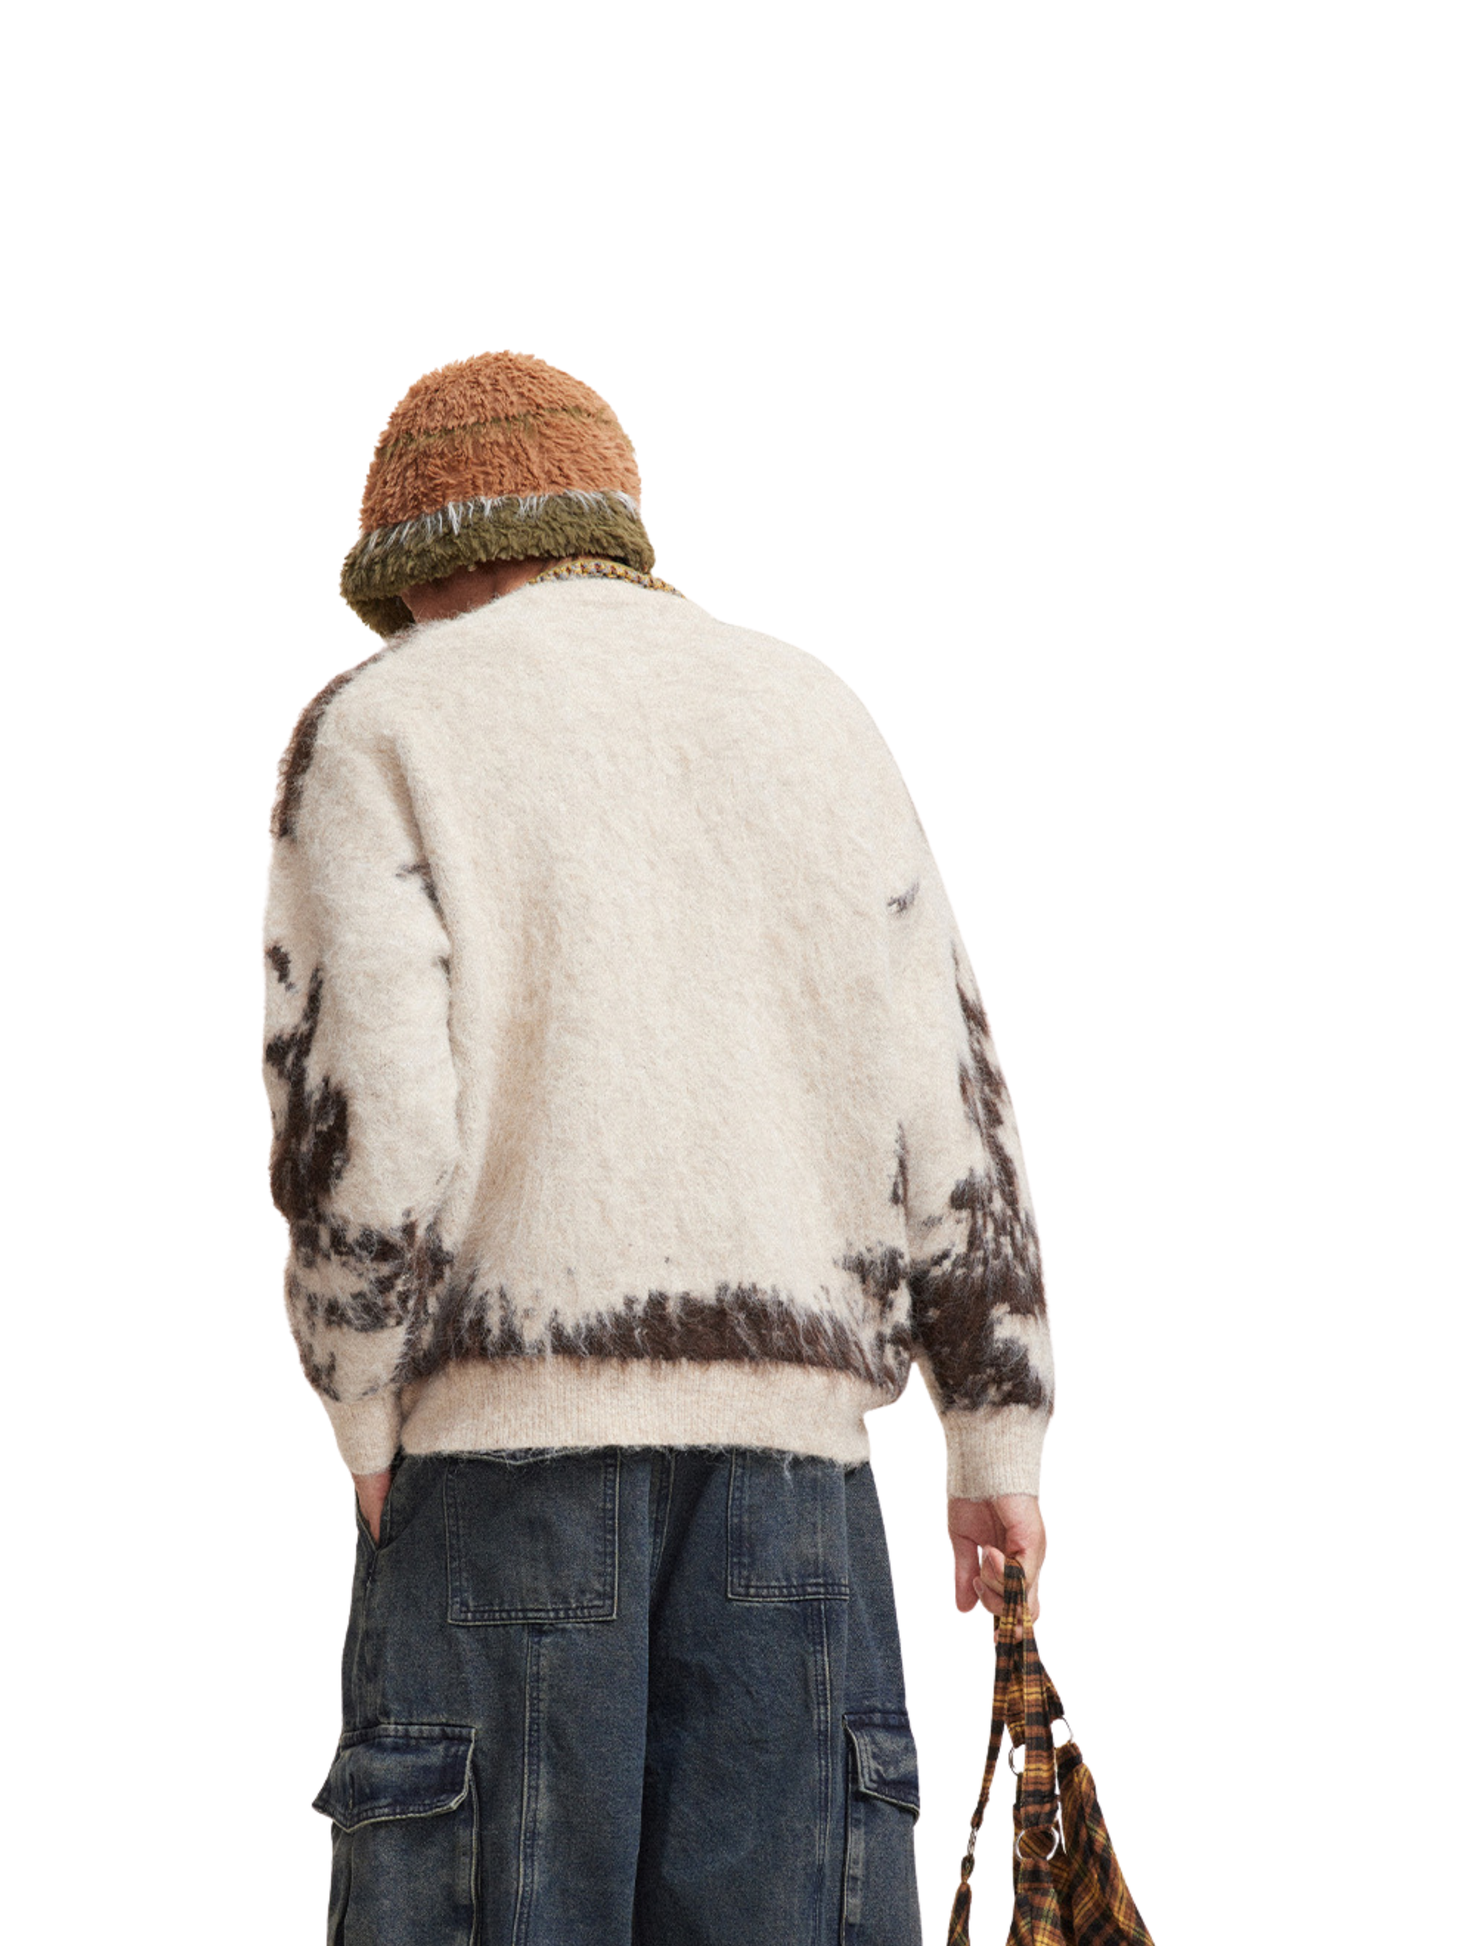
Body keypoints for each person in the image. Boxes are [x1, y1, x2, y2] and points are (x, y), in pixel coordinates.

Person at [261, 351, 1053, 1944]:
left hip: (498, 1468)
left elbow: (369, 1112)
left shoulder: (386, 722)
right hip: (793, 1487)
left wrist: (359, 1397)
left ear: (422, 564)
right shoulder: (811, 712)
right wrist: (993, 1442)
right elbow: (946, 1100)